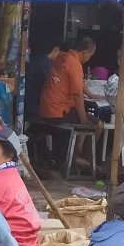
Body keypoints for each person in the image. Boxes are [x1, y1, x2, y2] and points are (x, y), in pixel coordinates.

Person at [40, 36, 98, 169]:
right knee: (96, 124)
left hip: (45, 109)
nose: (89, 59)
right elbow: (77, 95)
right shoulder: (75, 64)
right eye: (90, 55)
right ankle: (86, 163)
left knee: (82, 118)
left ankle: (76, 158)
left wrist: (89, 94)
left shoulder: (62, 57)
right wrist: (83, 118)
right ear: (85, 53)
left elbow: (76, 82)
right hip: (58, 112)